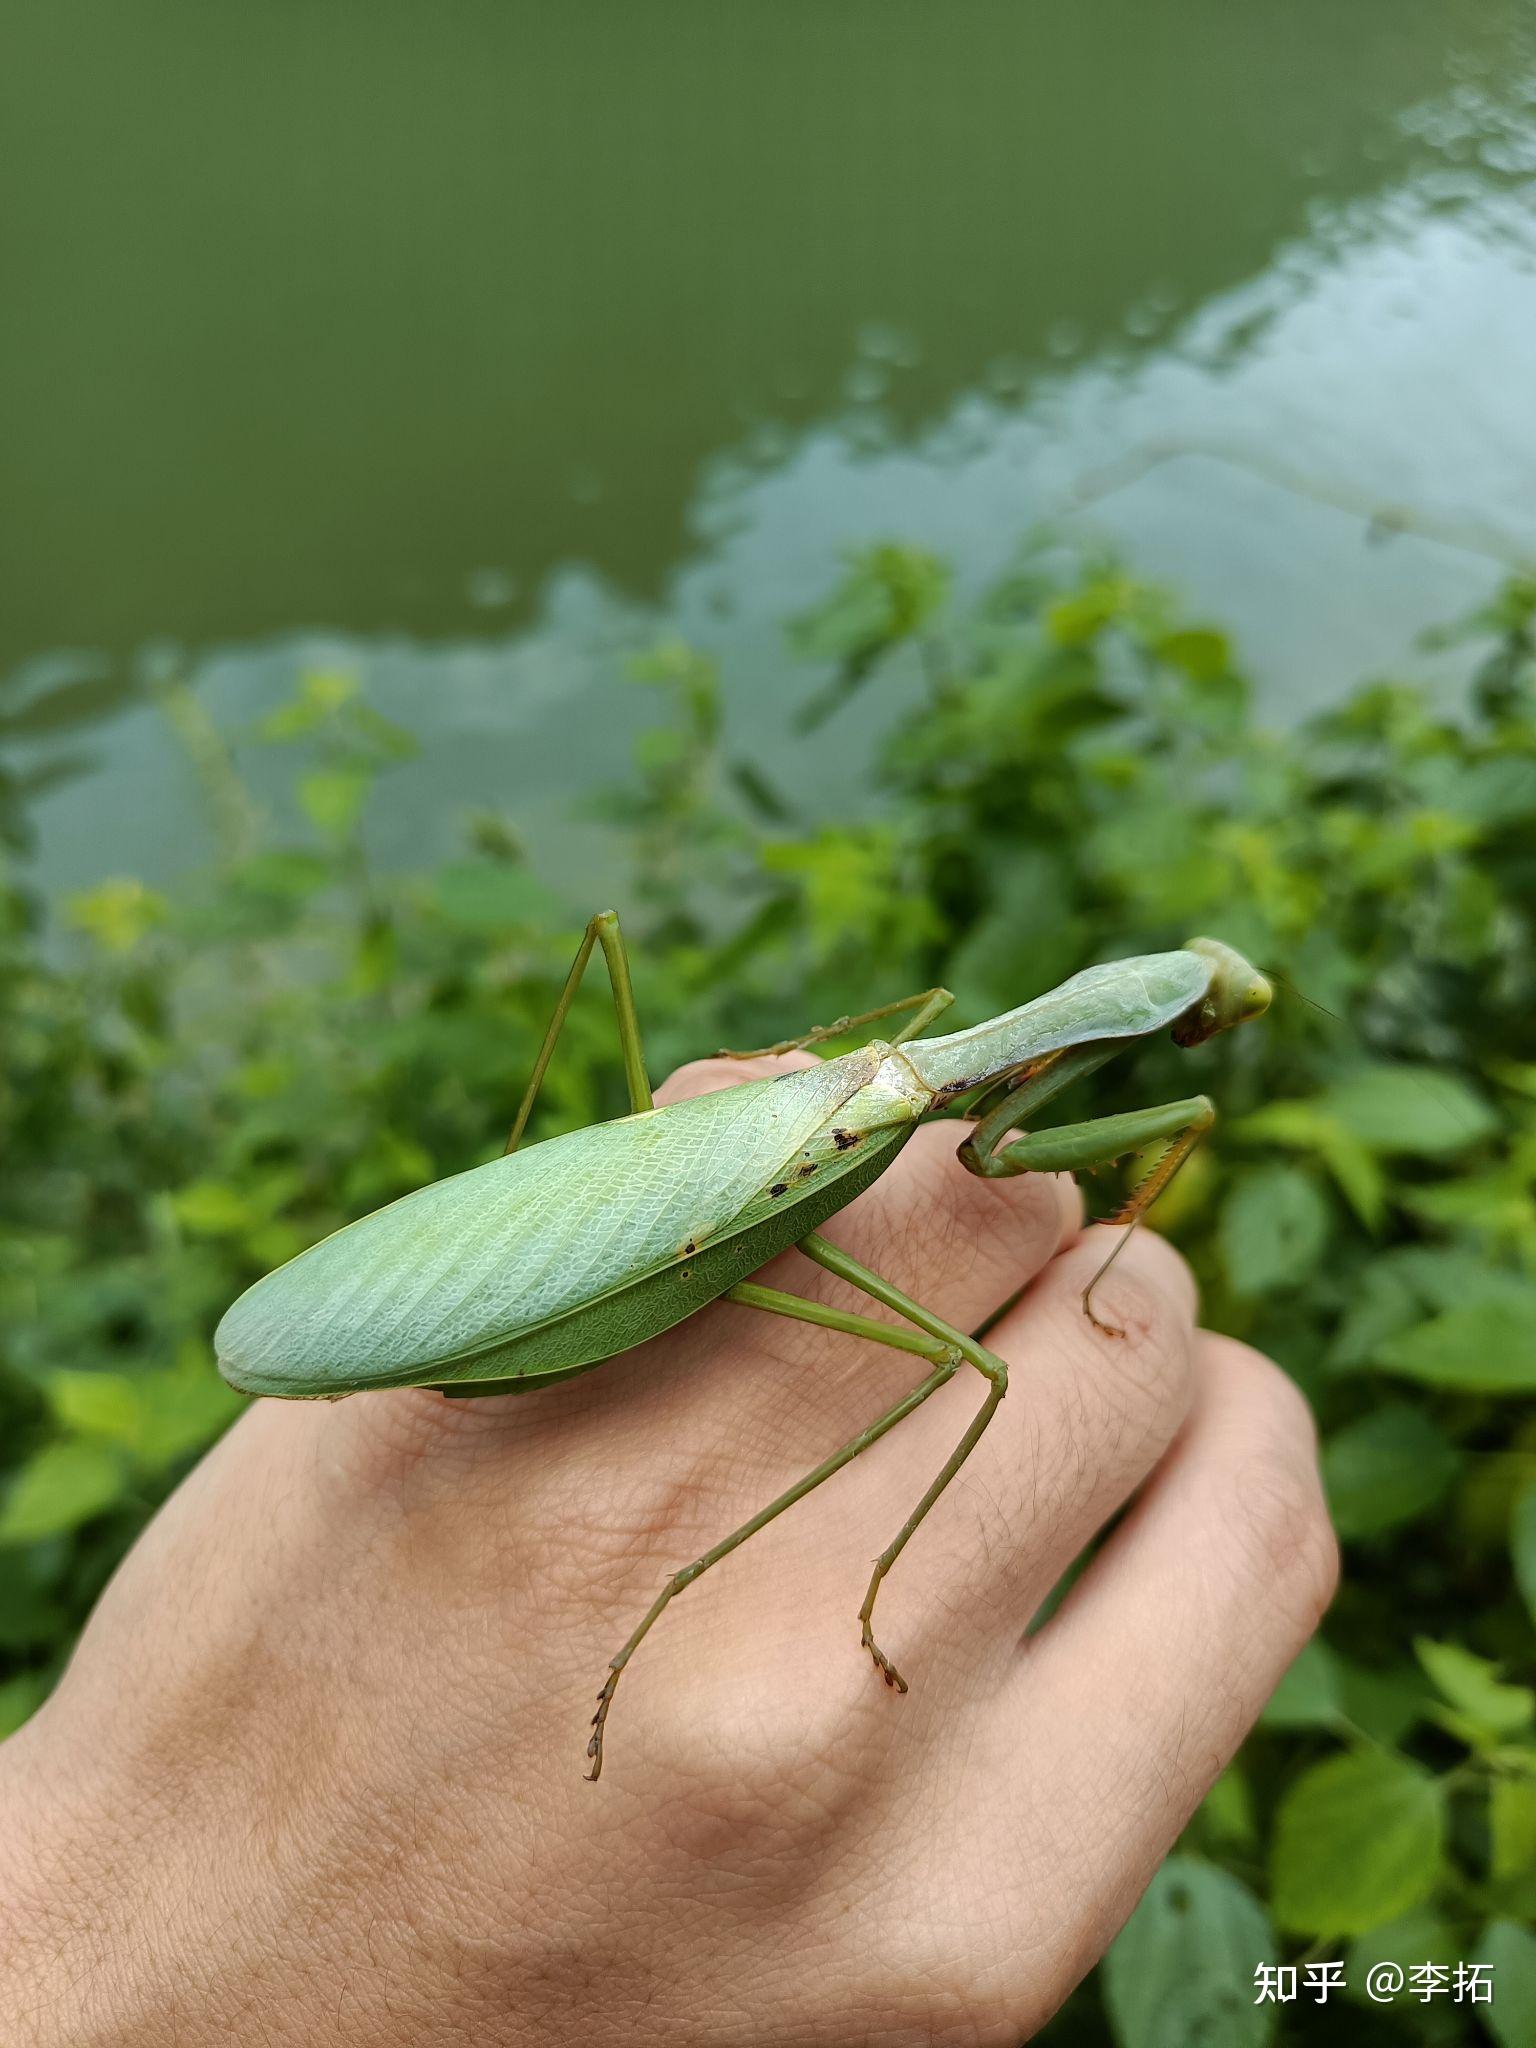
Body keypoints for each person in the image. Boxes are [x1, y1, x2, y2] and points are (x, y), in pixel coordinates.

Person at [0, 1052, 1337, 2046]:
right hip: (698, 1226)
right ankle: (699, 1588)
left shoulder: (905, 1069)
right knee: (976, 1375)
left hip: (787, 1144)